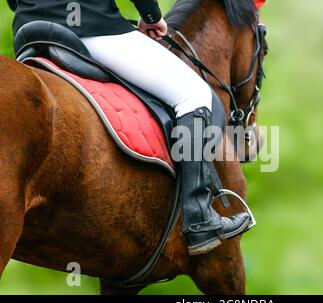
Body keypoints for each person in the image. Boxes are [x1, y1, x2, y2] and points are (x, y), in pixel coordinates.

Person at [8, 0, 251, 256]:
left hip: (30, 32)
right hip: (92, 29)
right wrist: (151, 15)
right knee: (194, 95)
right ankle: (199, 217)